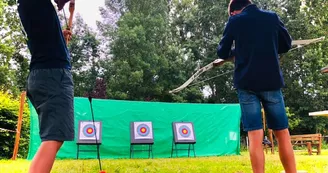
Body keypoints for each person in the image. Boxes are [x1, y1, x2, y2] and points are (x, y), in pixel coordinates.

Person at [214, 0, 297, 173]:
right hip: (271, 82)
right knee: (282, 133)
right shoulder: (272, 17)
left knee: (255, 135)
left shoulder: (235, 21)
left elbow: (222, 52)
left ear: (234, 11)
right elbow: (286, 44)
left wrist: (237, 52)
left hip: (246, 84)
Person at [17, 0, 74, 172]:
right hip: (53, 76)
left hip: (43, 74)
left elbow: (47, 41)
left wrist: (62, 39)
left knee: (54, 137)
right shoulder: (35, 4)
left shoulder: (30, 7)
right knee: (54, 137)